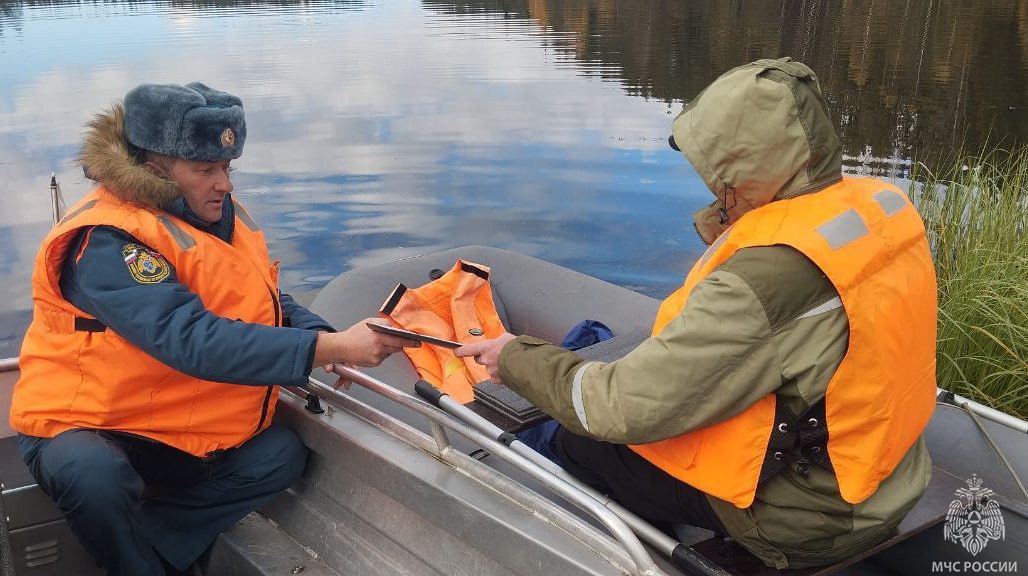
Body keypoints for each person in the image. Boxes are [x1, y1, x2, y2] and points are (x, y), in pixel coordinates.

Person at [457, 57, 937, 569]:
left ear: (745, 166)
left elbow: (614, 407)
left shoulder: (765, 279)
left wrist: (514, 358)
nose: (711, 185)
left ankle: (630, 555)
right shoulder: (878, 211)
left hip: (809, 522)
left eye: (718, 173)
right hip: (891, 481)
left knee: (583, 443)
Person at [9, 82, 418, 576]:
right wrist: (326, 347)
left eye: (226, 168)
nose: (223, 184)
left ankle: (151, 546)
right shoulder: (106, 239)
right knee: (94, 477)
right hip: (90, 426)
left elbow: (262, 298)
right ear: (152, 167)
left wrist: (325, 338)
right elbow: (189, 338)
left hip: (174, 425)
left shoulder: (219, 215)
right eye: (205, 170)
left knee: (281, 454)